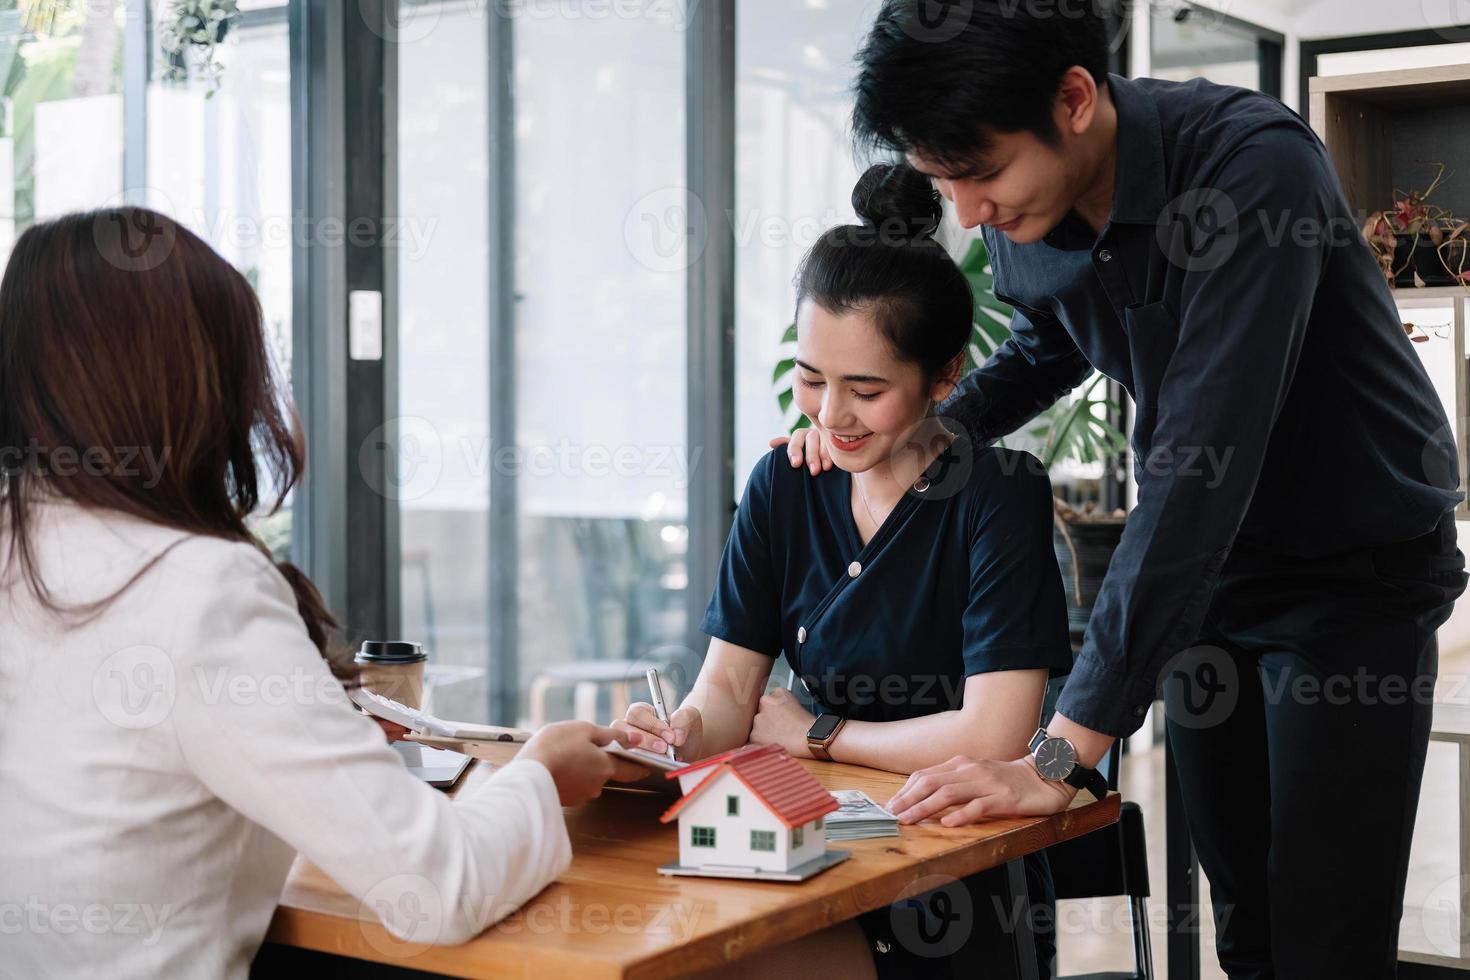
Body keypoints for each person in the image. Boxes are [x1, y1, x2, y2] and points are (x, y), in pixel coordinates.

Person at [784, 4, 1469, 977]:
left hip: (1350, 573)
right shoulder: (1022, 207)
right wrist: (915, 432)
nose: (969, 215)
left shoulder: (1250, 171)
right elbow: (1051, 338)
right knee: (1247, 926)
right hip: (1210, 583)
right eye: (946, 183)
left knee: (1326, 939)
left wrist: (1058, 756)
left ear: (1072, 98)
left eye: (979, 174)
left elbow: (1200, 464)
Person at [0, 208, 647, 979]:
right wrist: (541, 770)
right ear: (189, 383)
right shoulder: (201, 589)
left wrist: (311, 739)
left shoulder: (27, 545)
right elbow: (436, 885)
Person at [615, 163, 1075, 978]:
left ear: (945, 377)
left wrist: (821, 735)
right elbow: (728, 692)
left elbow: (993, 734)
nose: (830, 416)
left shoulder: (998, 497)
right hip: (807, 847)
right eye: (811, 379)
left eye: (865, 389)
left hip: (954, 871)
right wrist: (678, 732)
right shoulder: (783, 485)